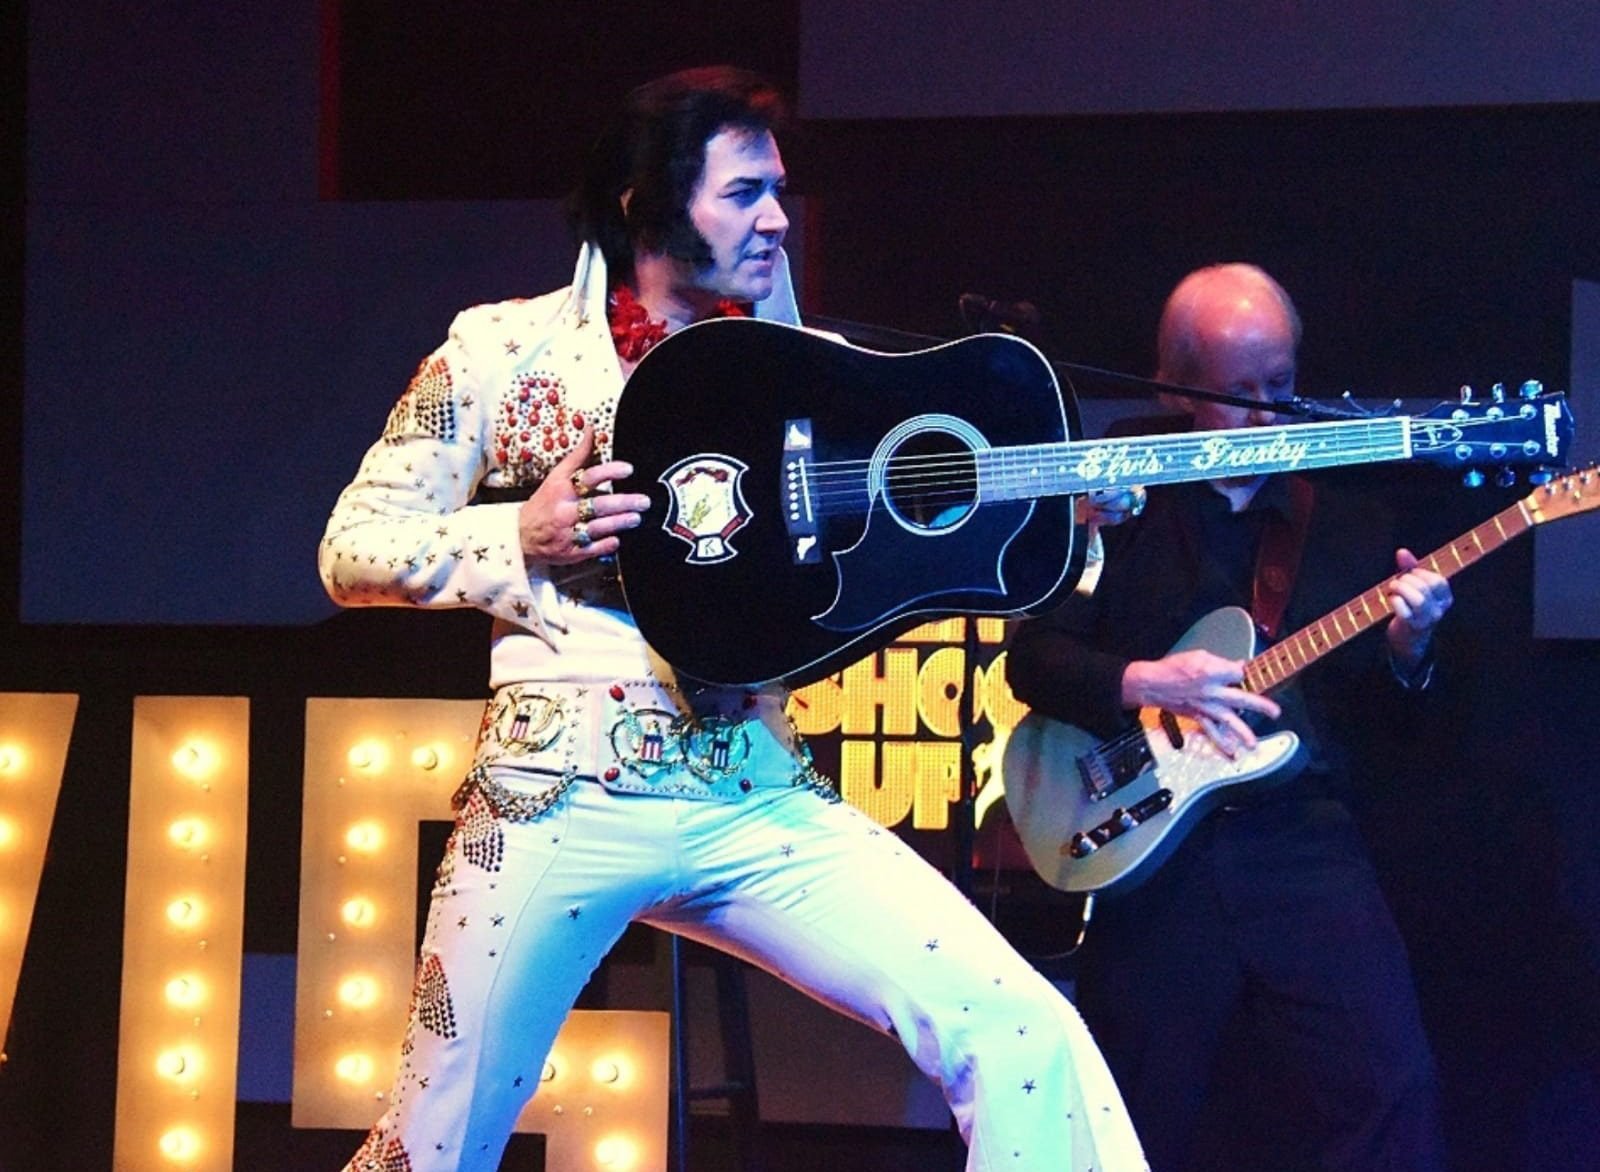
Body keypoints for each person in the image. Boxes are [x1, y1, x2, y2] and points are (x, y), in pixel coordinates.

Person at [319, 66, 1145, 1172]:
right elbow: (352, 545)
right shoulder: (497, 351)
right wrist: (518, 534)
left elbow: (936, 537)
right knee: (430, 1144)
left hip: (753, 791)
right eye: (743, 192)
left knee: (1020, 1026)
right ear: (646, 202)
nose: (776, 220)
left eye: (779, 192)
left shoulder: (816, 375)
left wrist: (1065, 508)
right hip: (556, 792)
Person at [1006, 263, 1451, 1171]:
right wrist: (1146, 682)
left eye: (1280, 386)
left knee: (1392, 1089)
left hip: (1299, 840)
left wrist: (1410, 649)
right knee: (1128, 1109)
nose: (1266, 413)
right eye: (1237, 393)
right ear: (1176, 389)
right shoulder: (1117, 483)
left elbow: (1389, 725)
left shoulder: (1345, 509)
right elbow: (1034, 661)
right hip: (1152, 847)